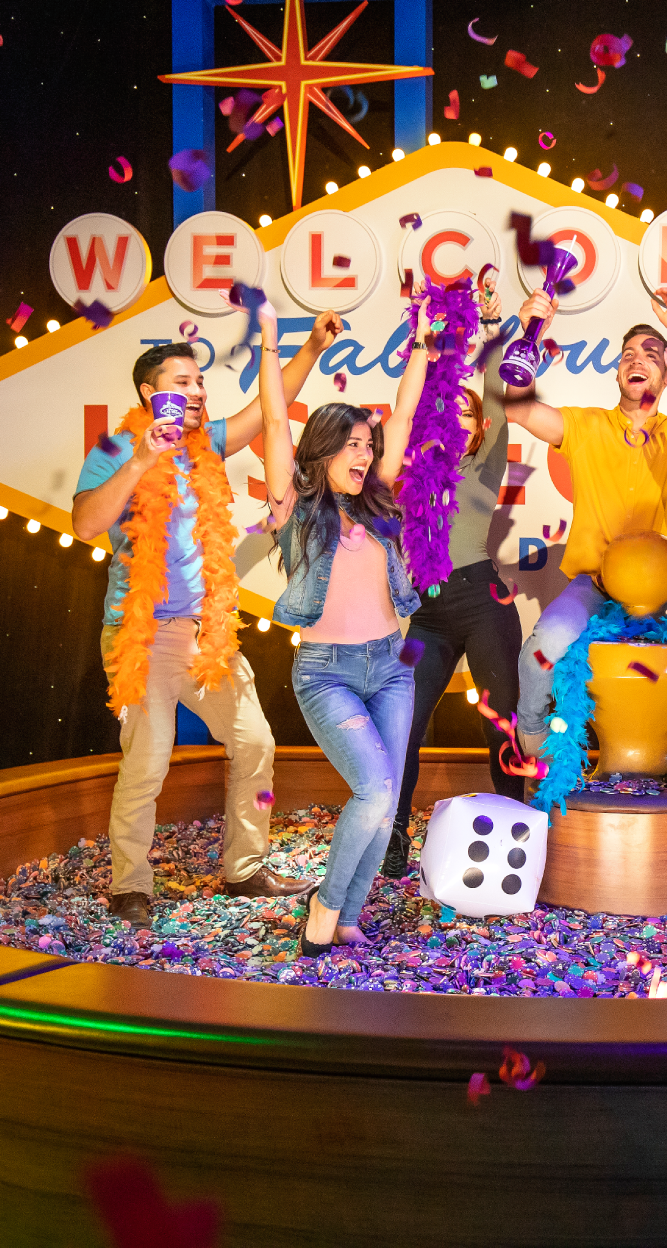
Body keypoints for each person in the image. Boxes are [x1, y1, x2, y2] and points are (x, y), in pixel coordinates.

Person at [72, 327, 339, 928]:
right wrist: (143, 458)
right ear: (149, 393)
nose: (195, 392)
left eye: (199, 382)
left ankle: (245, 868)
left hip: (209, 632)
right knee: (148, 761)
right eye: (182, 382)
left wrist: (313, 349)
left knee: (255, 742)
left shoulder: (206, 443)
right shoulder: (117, 449)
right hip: (143, 634)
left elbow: (267, 410)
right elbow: (87, 522)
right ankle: (129, 885)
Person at [503, 286, 667, 756]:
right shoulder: (585, 425)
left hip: (662, 593)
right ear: (618, 371)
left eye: (653, 354)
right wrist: (528, 332)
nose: (638, 359)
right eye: (629, 354)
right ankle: (534, 736)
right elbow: (517, 407)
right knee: (540, 655)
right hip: (594, 587)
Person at [256, 295, 423, 956]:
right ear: (322, 448)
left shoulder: (376, 506)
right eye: (351, 444)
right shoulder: (294, 509)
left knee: (385, 798)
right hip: (327, 674)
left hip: (391, 667)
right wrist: (274, 339)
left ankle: (349, 915)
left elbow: (403, 414)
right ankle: (325, 903)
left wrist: (422, 352)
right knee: (374, 787)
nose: (364, 453)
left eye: (368, 445)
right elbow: (273, 418)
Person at [378, 281, 524, 877]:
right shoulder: (410, 468)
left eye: (470, 415)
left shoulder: (485, 460)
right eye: (452, 411)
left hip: (482, 600)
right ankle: (390, 841)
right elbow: (405, 412)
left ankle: (515, 835)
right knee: (402, 725)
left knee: (502, 719)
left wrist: (493, 324)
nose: (461, 419)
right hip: (426, 611)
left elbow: (495, 393)